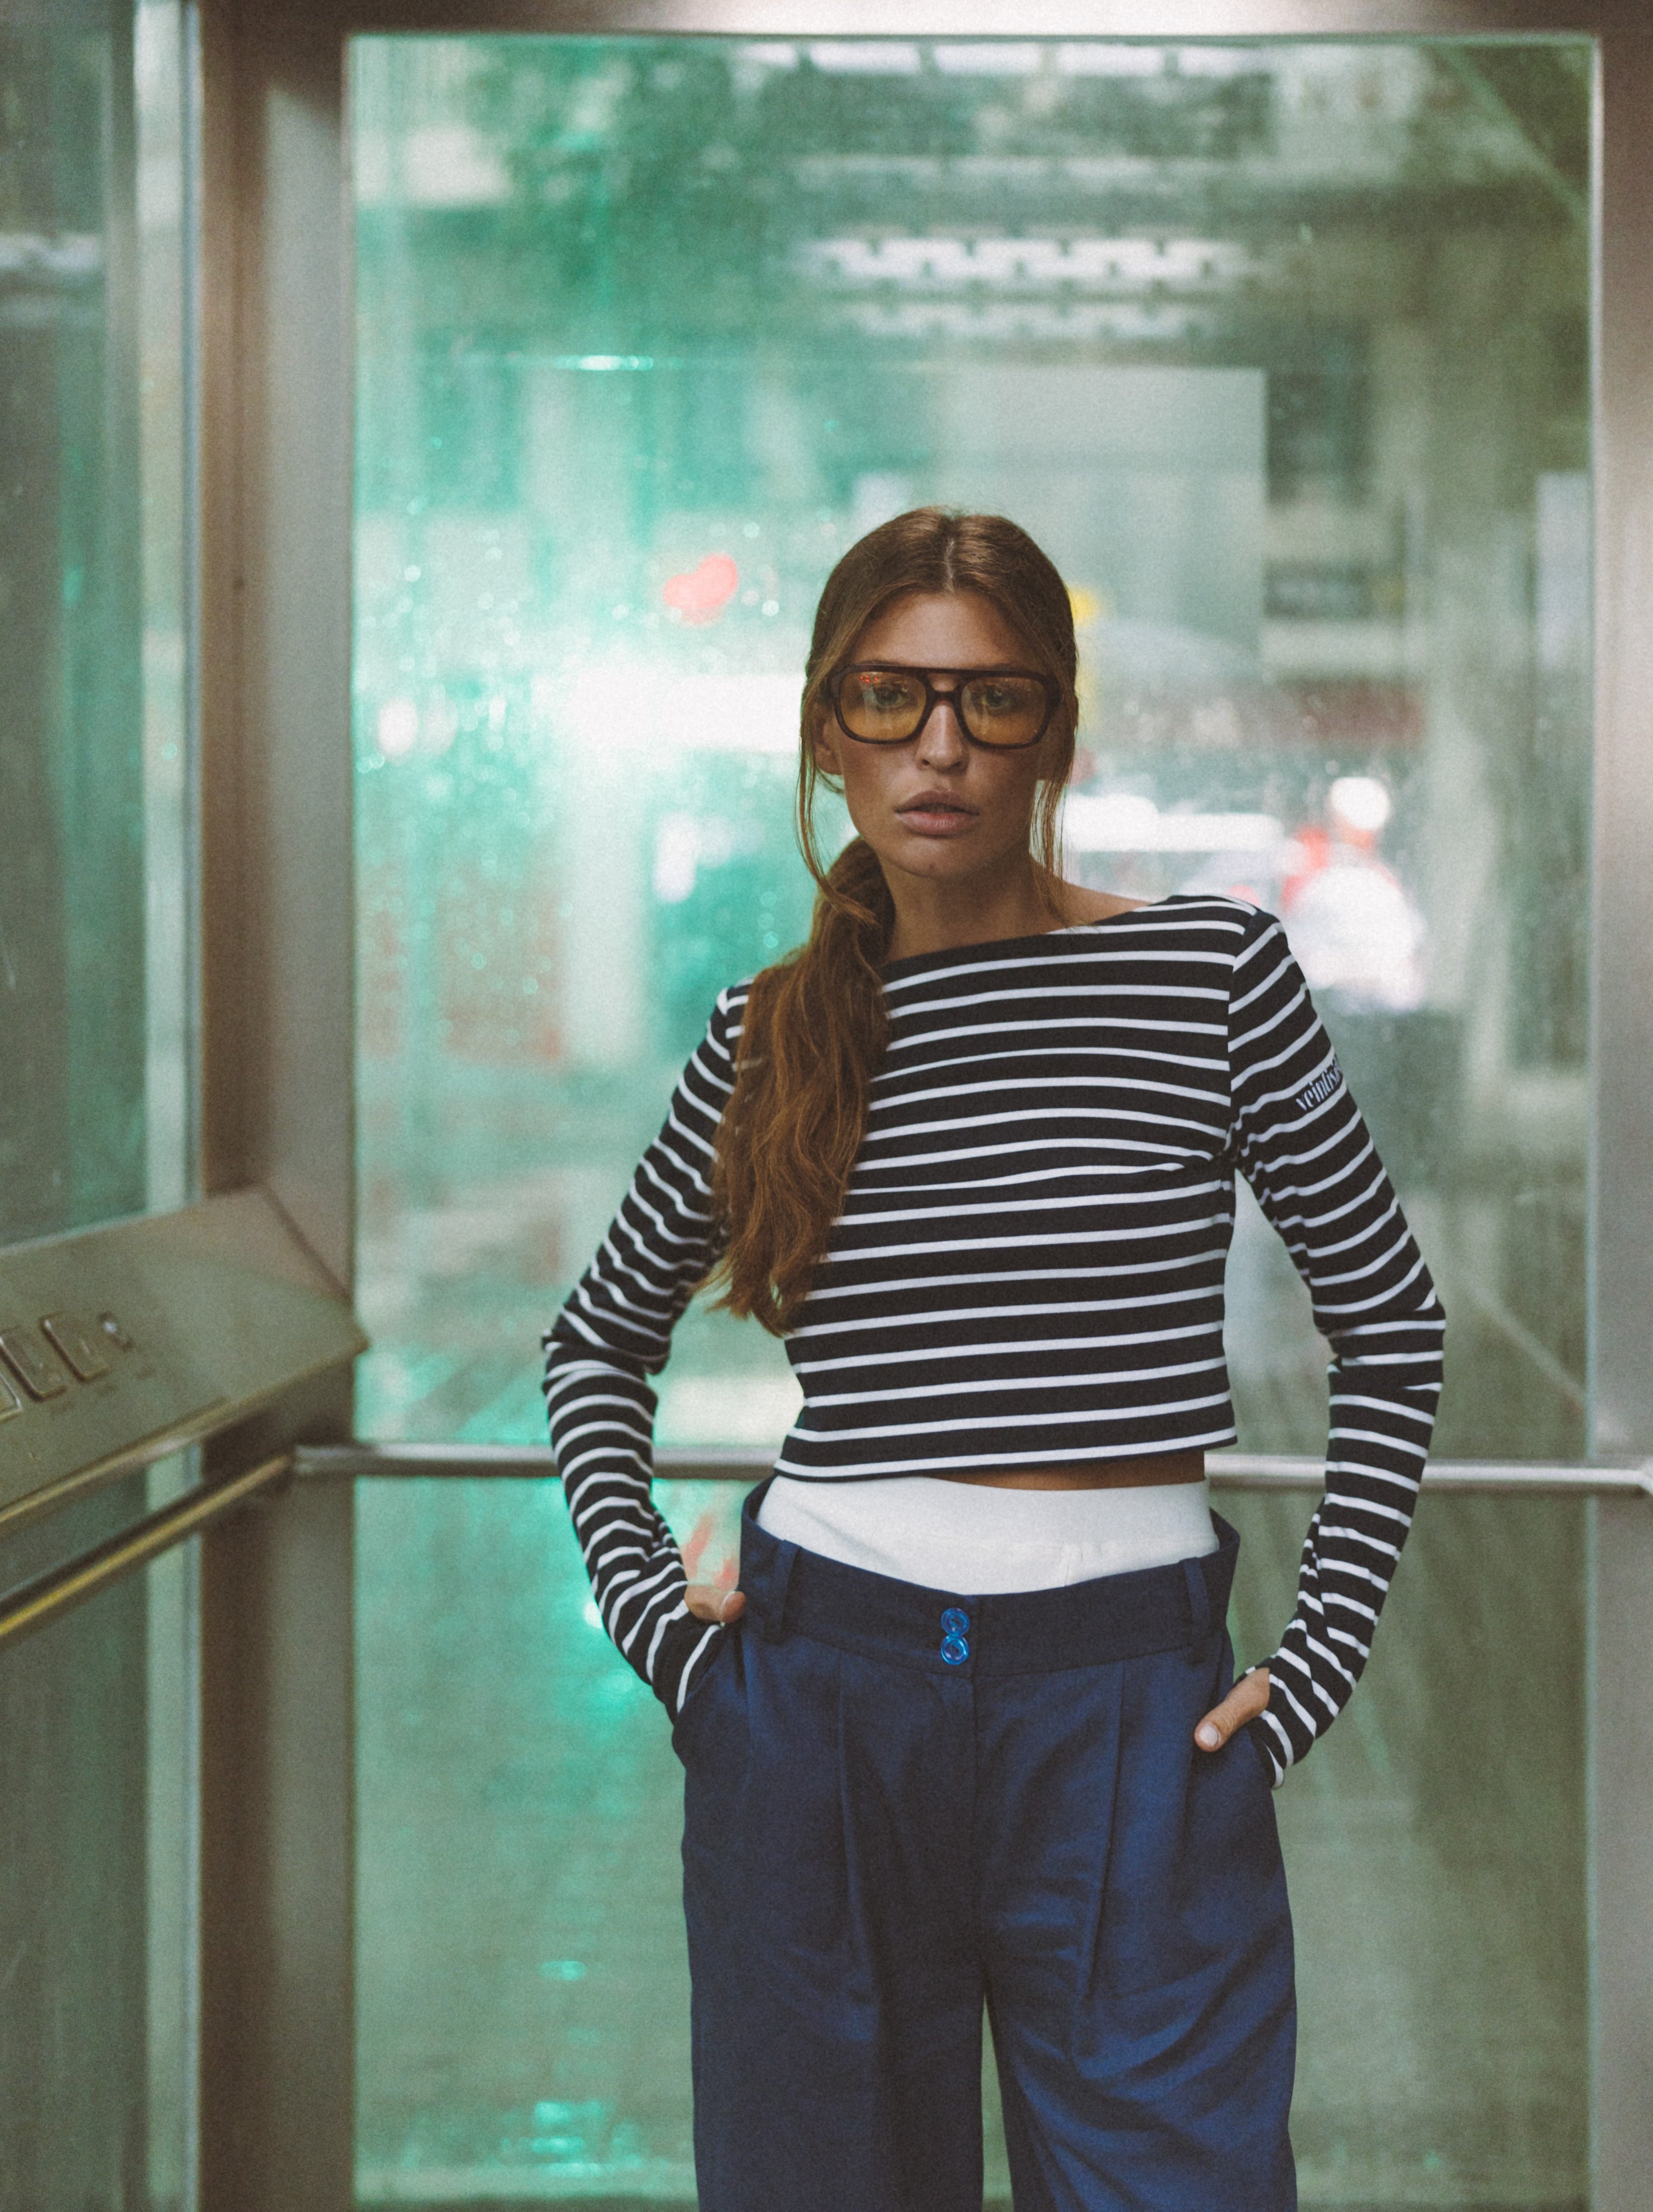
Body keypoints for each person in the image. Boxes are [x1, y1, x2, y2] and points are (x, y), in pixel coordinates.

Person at [544, 509, 1445, 2212]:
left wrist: (1319, 1659)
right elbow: (596, 1343)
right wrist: (666, 1643)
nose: (940, 748)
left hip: (1131, 1711)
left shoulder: (1210, 973)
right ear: (827, 731)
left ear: (1058, 733)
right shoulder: (768, 1033)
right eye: (889, 699)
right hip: (818, 1704)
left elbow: (1392, 1325)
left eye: (992, 702)